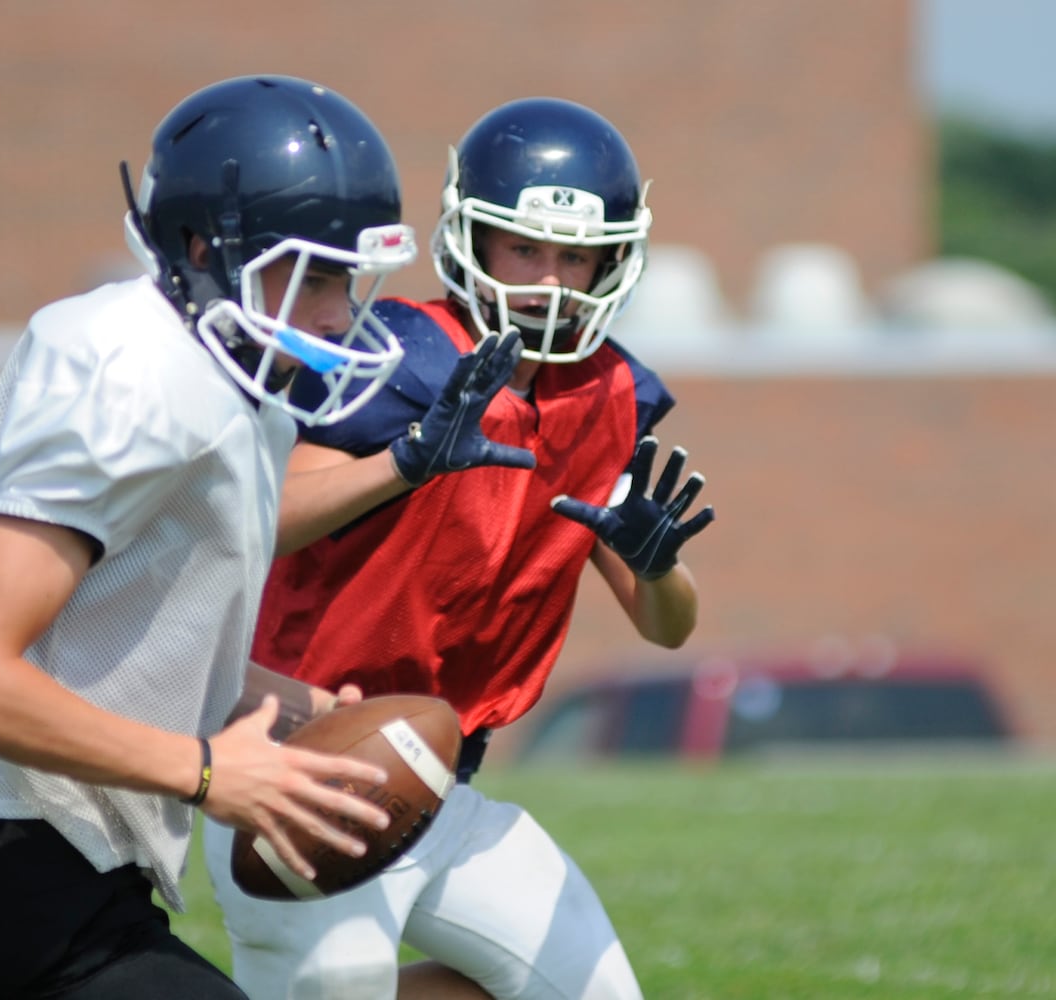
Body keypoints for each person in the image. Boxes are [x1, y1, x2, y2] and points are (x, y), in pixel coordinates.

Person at [0, 74, 436, 999]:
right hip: (26, 866)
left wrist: (285, 706)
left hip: (61, 875)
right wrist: (202, 773)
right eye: (311, 271)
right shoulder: (136, 374)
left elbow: (123, 648)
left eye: (347, 276)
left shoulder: (224, 386)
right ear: (203, 249)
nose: (335, 311)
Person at [203, 97, 716, 999]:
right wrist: (403, 462)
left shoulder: (609, 393)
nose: (550, 282)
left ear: (613, 260)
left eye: (574, 257)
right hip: (305, 758)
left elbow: (667, 629)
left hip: (438, 775)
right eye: (525, 249)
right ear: (474, 243)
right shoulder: (399, 354)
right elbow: (255, 519)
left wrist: (659, 563)